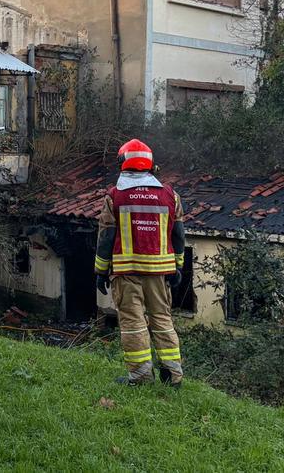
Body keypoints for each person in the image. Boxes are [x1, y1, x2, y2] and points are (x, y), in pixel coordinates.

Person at [95, 138, 187, 388]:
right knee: (162, 320)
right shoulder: (171, 195)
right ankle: (173, 375)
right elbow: (178, 235)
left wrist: (101, 272)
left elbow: (106, 239)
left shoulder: (114, 196)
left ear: (123, 164)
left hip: (126, 273)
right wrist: (178, 266)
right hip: (160, 274)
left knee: (134, 324)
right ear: (150, 164)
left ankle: (141, 376)